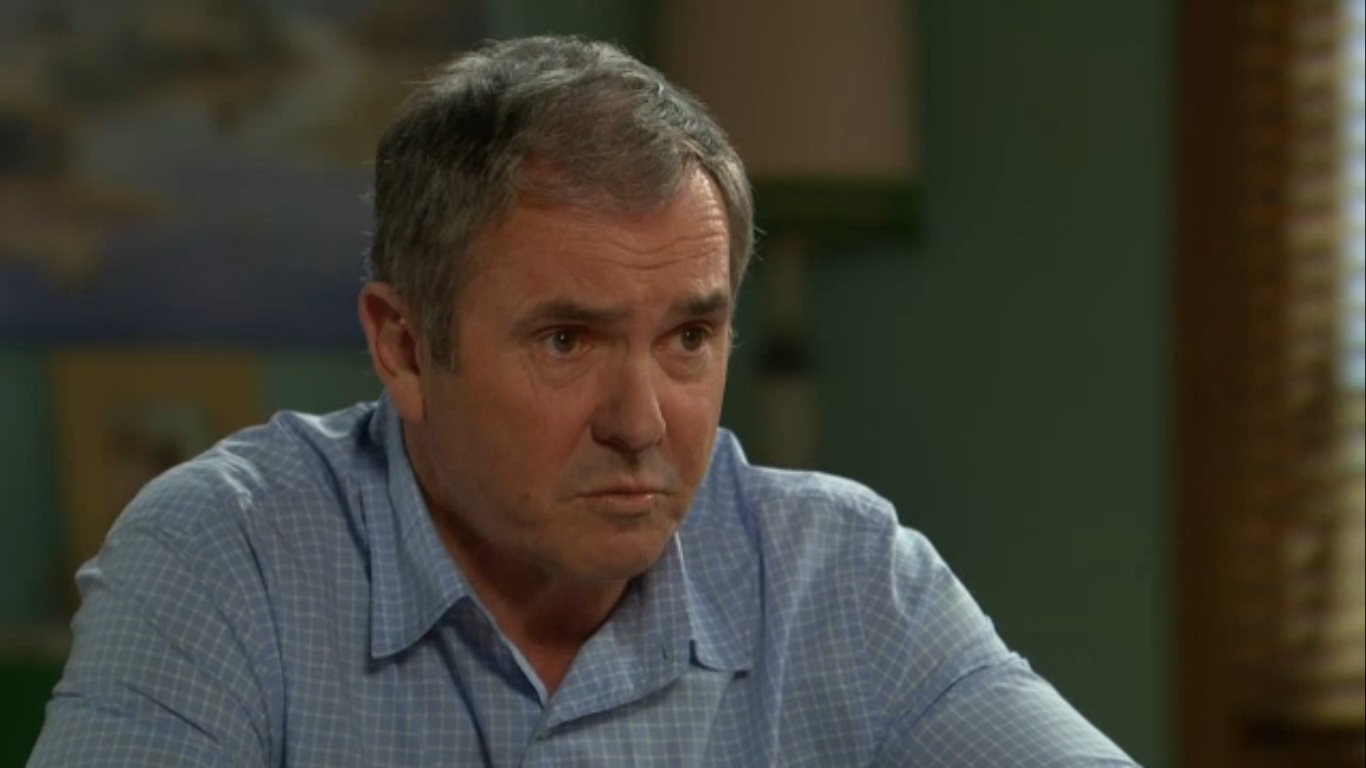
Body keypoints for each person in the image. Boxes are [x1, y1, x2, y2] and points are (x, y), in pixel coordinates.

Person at [29, 36, 1138, 767]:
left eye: (689, 338)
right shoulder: (229, 560)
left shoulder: (841, 579)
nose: (642, 421)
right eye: (567, 341)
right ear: (403, 347)